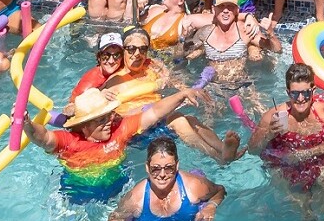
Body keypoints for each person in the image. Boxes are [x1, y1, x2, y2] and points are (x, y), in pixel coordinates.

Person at [22, 85, 233, 201]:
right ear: (84, 125)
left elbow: (155, 112)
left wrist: (182, 94)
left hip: (119, 189)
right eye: (101, 119)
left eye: (109, 116)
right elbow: (43, 137)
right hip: (77, 194)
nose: (109, 122)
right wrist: (26, 124)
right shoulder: (69, 141)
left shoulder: (119, 130)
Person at [248, 63, 324, 195]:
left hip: (321, 165)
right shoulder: (272, 116)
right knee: (296, 207)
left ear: (313, 90)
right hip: (284, 168)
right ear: (288, 93)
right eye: (295, 94)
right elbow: (252, 150)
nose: (301, 99)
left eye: (306, 93)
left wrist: (310, 152)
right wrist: (269, 134)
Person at [189, 0, 280, 87]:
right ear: (213, 9)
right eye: (221, 6)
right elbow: (182, 55)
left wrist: (270, 33)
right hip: (213, 87)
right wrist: (184, 37)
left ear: (237, 10)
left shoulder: (245, 31)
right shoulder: (205, 33)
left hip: (242, 86)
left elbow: (277, 49)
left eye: (230, 7)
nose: (225, 11)